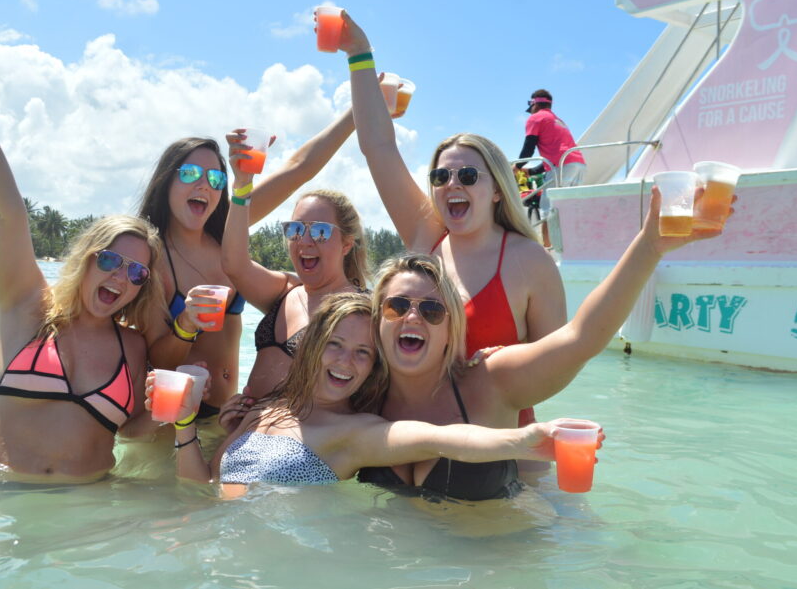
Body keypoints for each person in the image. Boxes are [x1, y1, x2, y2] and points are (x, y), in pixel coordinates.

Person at [356, 186, 730, 500]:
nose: (413, 317)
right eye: (398, 306)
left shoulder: (487, 381)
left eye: (432, 310)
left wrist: (649, 246)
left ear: (451, 328)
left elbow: (580, 338)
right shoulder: (355, 390)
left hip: (506, 560)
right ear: (377, 319)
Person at [0, 55, 164, 484]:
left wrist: (171, 415)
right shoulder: (27, 307)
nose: (120, 277)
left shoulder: (132, 347)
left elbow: (129, 430)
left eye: (136, 274)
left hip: (83, 506)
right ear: (87, 258)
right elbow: (10, 214)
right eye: (111, 260)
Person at [338, 10, 565, 430]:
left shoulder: (530, 261)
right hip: (408, 439)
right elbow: (379, 147)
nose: (451, 184)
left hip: (496, 451)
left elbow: (561, 362)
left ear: (497, 189)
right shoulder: (426, 233)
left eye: (467, 176)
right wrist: (359, 53)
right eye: (441, 176)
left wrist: (512, 364)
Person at [156, 293, 592, 499]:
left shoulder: (357, 433)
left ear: (372, 367)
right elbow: (204, 485)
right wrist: (184, 421)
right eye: (335, 344)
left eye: (363, 352)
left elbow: (437, 438)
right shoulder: (267, 410)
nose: (347, 361)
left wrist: (523, 440)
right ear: (310, 346)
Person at [138, 111, 360, 417]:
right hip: (174, 414)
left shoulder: (228, 232)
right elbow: (156, 358)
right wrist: (186, 324)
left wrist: (356, 113)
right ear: (167, 181)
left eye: (215, 179)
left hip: (227, 414)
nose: (204, 185)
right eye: (190, 174)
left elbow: (299, 169)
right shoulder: (151, 257)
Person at [222, 134, 369, 399]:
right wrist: (242, 186)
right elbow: (234, 264)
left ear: (347, 244)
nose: (305, 240)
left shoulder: (362, 310)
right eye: (296, 229)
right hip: (245, 428)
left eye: (321, 231)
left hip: (298, 437)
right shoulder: (287, 289)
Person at [518, 89, 587, 223]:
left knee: (549, 213)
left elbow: (528, 148)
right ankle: (569, 243)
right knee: (569, 211)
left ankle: (548, 244)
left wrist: (517, 166)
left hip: (562, 166)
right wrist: (530, 171)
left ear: (534, 104)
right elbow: (555, 157)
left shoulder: (535, 118)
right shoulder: (557, 120)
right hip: (578, 165)